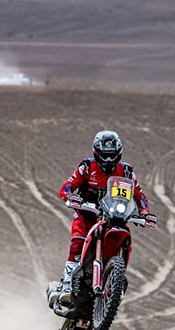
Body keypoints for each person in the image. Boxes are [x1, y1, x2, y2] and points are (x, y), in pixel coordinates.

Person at [47, 130, 153, 308]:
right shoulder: (87, 167)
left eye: (112, 155)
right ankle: (66, 285)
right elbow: (67, 187)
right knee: (78, 241)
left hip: (114, 217)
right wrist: (70, 197)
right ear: (97, 152)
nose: (109, 159)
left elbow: (139, 195)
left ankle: (116, 283)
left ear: (119, 153)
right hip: (87, 214)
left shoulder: (126, 172)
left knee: (125, 240)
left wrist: (145, 212)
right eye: (105, 155)